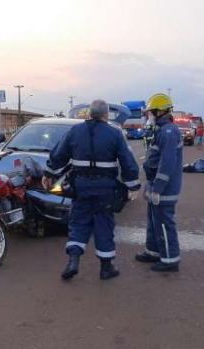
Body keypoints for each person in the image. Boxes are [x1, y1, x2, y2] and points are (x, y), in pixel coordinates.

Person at [43, 99, 141, 280]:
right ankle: (106, 268)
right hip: (105, 188)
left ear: (89, 114)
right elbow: (127, 161)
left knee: (78, 222)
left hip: (81, 186)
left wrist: (48, 173)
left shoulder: (74, 131)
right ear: (105, 115)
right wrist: (132, 186)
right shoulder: (115, 134)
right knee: (104, 224)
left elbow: (59, 154)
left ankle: (73, 262)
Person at [135, 93, 183, 272]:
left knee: (164, 223)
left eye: (151, 113)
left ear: (160, 111)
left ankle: (170, 260)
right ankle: (153, 251)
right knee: (154, 221)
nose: (149, 116)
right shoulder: (161, 131)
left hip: (163, 189)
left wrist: (158, 188)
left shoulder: (168, 132)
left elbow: (167, 163)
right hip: (154, 186)